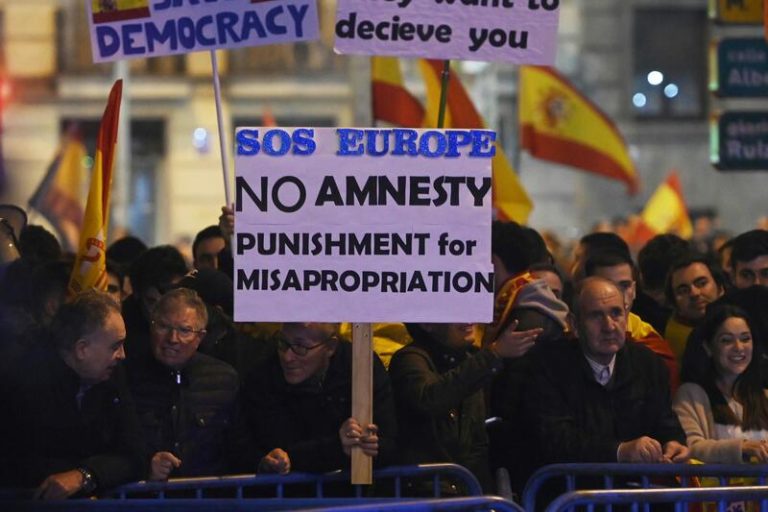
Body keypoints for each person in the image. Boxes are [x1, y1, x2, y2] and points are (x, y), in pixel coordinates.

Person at [526, 277, 689, 467]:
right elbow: (555, 439)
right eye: (596, 316)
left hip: (636, 490)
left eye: (616, 313)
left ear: (627, 316)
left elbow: (665, 422)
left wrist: (674, 443)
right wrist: (620, 451)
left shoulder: (648, 363)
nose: (609, 326)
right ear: (574, 324)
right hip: (571, 490)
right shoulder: (546, 366)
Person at [1, 290, 144, 499]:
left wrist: (85, 475)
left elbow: (135, 455)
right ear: (82, 349)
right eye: (115, 346)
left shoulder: (112, 376)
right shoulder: (21, 383)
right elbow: (22, 462)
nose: (122, 355)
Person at [127, 288, 272, 479]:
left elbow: (239, 447)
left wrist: (265, 463)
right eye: (163, 326)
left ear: (200, 337)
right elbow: (114, 446)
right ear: (151, 326)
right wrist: (146, 466)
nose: (172, 339)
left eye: (185, 330)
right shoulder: (127, 376)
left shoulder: (224, 379)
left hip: (209, 500)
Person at [389, 321, 541, 492]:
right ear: (427, 323)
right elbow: (430, 399)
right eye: (455, 312)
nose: (468, 320)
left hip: (467, 494)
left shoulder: (469, 360)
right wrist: (493, 354)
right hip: (423, 496)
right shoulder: (409, 359)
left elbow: (476, 445)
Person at [242, 323, 397, 473]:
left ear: (330, 347)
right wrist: (337, 446)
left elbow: (389, 442)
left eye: (301, 347)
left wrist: (370, 445)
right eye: (282, 342)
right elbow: (267, 447)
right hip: (287, 495)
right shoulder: (263, 371)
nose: (287, 357)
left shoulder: (361, 364)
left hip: (355, 493)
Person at [673, 304, 768, 463]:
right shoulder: (691, 394)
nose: (739, 347)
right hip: (717, 487)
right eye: (727, 340)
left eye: (745, 339)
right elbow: (690, 447)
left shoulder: (764, 395)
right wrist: (742, 448)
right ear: (708, 347)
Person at [583, 250, 679, 391]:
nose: (618, 295)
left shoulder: (651, 344)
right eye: (607, 286)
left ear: (634, 290)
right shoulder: (569, 338)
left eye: (624, 286)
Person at [664, 253, 726, 362]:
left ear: (720, 288)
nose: (694, 293)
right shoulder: (676, 347)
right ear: (675, 305)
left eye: (702, 283)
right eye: (683, 290)